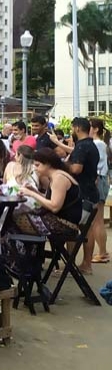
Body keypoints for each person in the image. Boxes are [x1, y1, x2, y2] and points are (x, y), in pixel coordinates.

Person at [16, 148, 82, 236]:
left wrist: (31, 194)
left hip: (64, 224)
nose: (35, 169)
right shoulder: (56, 176)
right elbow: (50, 200)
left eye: (37, 165)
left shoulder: (58, 178)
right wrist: (34, 191)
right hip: (61, 221)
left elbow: (54, 207)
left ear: (48, 164)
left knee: (16, 219)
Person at [66, 117, 100, 273]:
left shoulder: (81, 146)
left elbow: (77, 169)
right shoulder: (92, 145)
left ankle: (70, 264)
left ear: (78, 128)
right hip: (91, 192)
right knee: (88, 229)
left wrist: (64, 165)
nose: (72, 131)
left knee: (71, 226)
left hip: (81, 194)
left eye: (73, 128)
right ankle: (87, 264)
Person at [89, 118, 109, 264]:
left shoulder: (98, 143)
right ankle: (102, 251)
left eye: (89, 127)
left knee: (97, 220)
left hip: (98, 179)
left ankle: (102, 252)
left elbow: (96, 163)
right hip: (100, 179)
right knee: (97, 219)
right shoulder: (99, 143)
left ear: (95, 129)